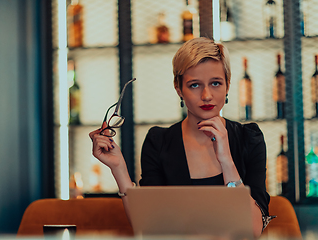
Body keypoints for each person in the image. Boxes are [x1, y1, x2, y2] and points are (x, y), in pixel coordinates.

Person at [89, 37, 272, 238]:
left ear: (228, 85)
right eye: (194, 85)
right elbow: (149, 227)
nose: (207, 95)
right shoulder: (158, 142)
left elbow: (254, 230)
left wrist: (226, 160)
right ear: (179, 89)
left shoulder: (249, 138)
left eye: (216, 83)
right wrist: (119, 168)